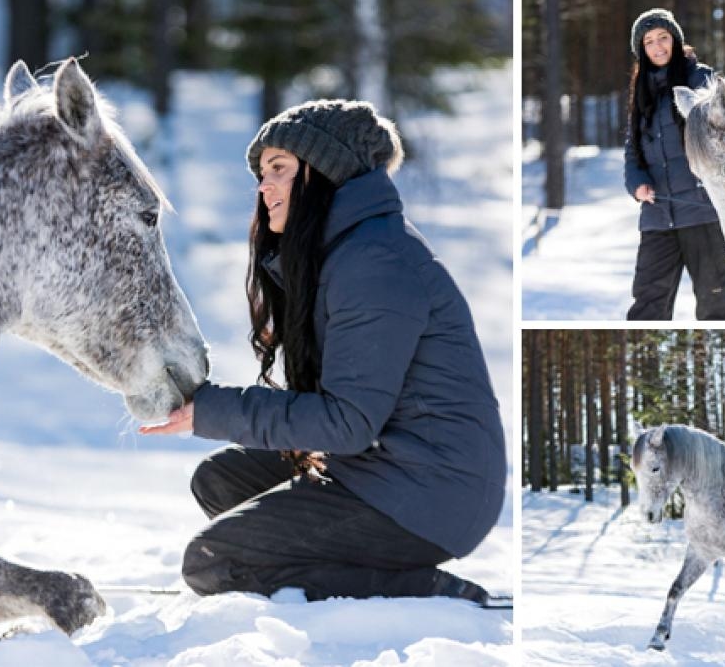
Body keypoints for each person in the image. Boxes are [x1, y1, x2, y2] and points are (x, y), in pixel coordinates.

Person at [140, 99, 505, 604]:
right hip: (388, 466)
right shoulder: (344, 251)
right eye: (261, 173)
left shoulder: (375, 260)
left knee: (216, 561)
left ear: (326, 173)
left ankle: (421, 590)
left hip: (430, 490)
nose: (263, 186)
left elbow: (347, 422)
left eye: (279, 169)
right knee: (221, 481)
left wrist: (216, 410)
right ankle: (333, 569)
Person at [623, 8, 725, 321]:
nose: (658, 46)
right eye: (649, 41)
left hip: (701, 212)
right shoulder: (641, 92)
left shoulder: (699, 78)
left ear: (675, 40)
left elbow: (722, 132)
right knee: (647, 305)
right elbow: (632, 150)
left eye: (663, 37)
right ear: (642, 49)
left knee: (717, 301)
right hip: (657, 217)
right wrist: (637, 184)